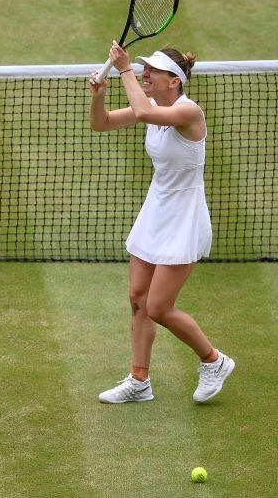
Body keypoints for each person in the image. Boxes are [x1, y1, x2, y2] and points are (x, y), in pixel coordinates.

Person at [89, 41, 234, 404]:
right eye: (143, 69)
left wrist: (122, 69)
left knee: (159, 308)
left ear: (175, 81)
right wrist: (99, 95)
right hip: (156, 210)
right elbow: (101, 124)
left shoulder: (189, 112)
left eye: (152, 71)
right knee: (138, 299)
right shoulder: (152, 104)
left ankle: (213, 361)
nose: (145, 74)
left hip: (185, 218)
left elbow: (141, 112)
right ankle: (139, 381)